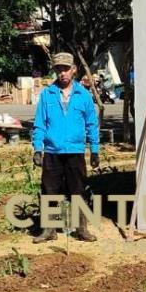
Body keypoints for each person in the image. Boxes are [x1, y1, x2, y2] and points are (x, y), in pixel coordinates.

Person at [31, 52, 100, 242]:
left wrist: (94, 150)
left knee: (78, 190)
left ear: (74, 70)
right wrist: (38, 148)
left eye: (66, 69)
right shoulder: (47, 94)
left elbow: (92, 124)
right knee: (50, 190)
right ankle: (50, 230)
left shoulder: (83, 95)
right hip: (53, 152)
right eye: (58, 69)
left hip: (75, 152)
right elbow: (40, 124)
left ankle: (81, 228)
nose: (62, 73)